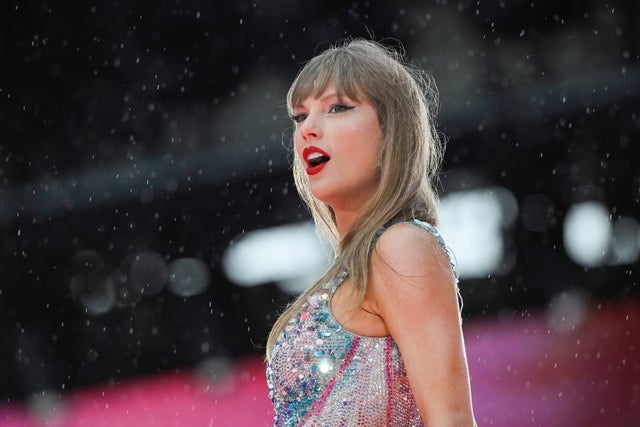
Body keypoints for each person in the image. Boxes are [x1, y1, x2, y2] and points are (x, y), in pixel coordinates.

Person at [265, 38, 477, 427]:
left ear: (390, 131)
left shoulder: (402, 246)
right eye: (299, 116)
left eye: (337, 108)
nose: (308, 129)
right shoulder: (360, 265)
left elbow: (451, 420)